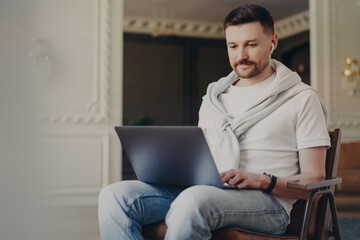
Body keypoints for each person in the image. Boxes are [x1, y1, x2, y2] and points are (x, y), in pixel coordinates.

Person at [98, 4, 330, 240]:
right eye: (233, 46)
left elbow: (315, 178)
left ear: (273, 42)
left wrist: (262, 179)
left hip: (268, 204)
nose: (241, 56)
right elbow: (201, 159)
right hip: (209, 190)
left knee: (193, 200)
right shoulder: (213, 97)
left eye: (251, 44)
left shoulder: (301, 97)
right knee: (115, 195)